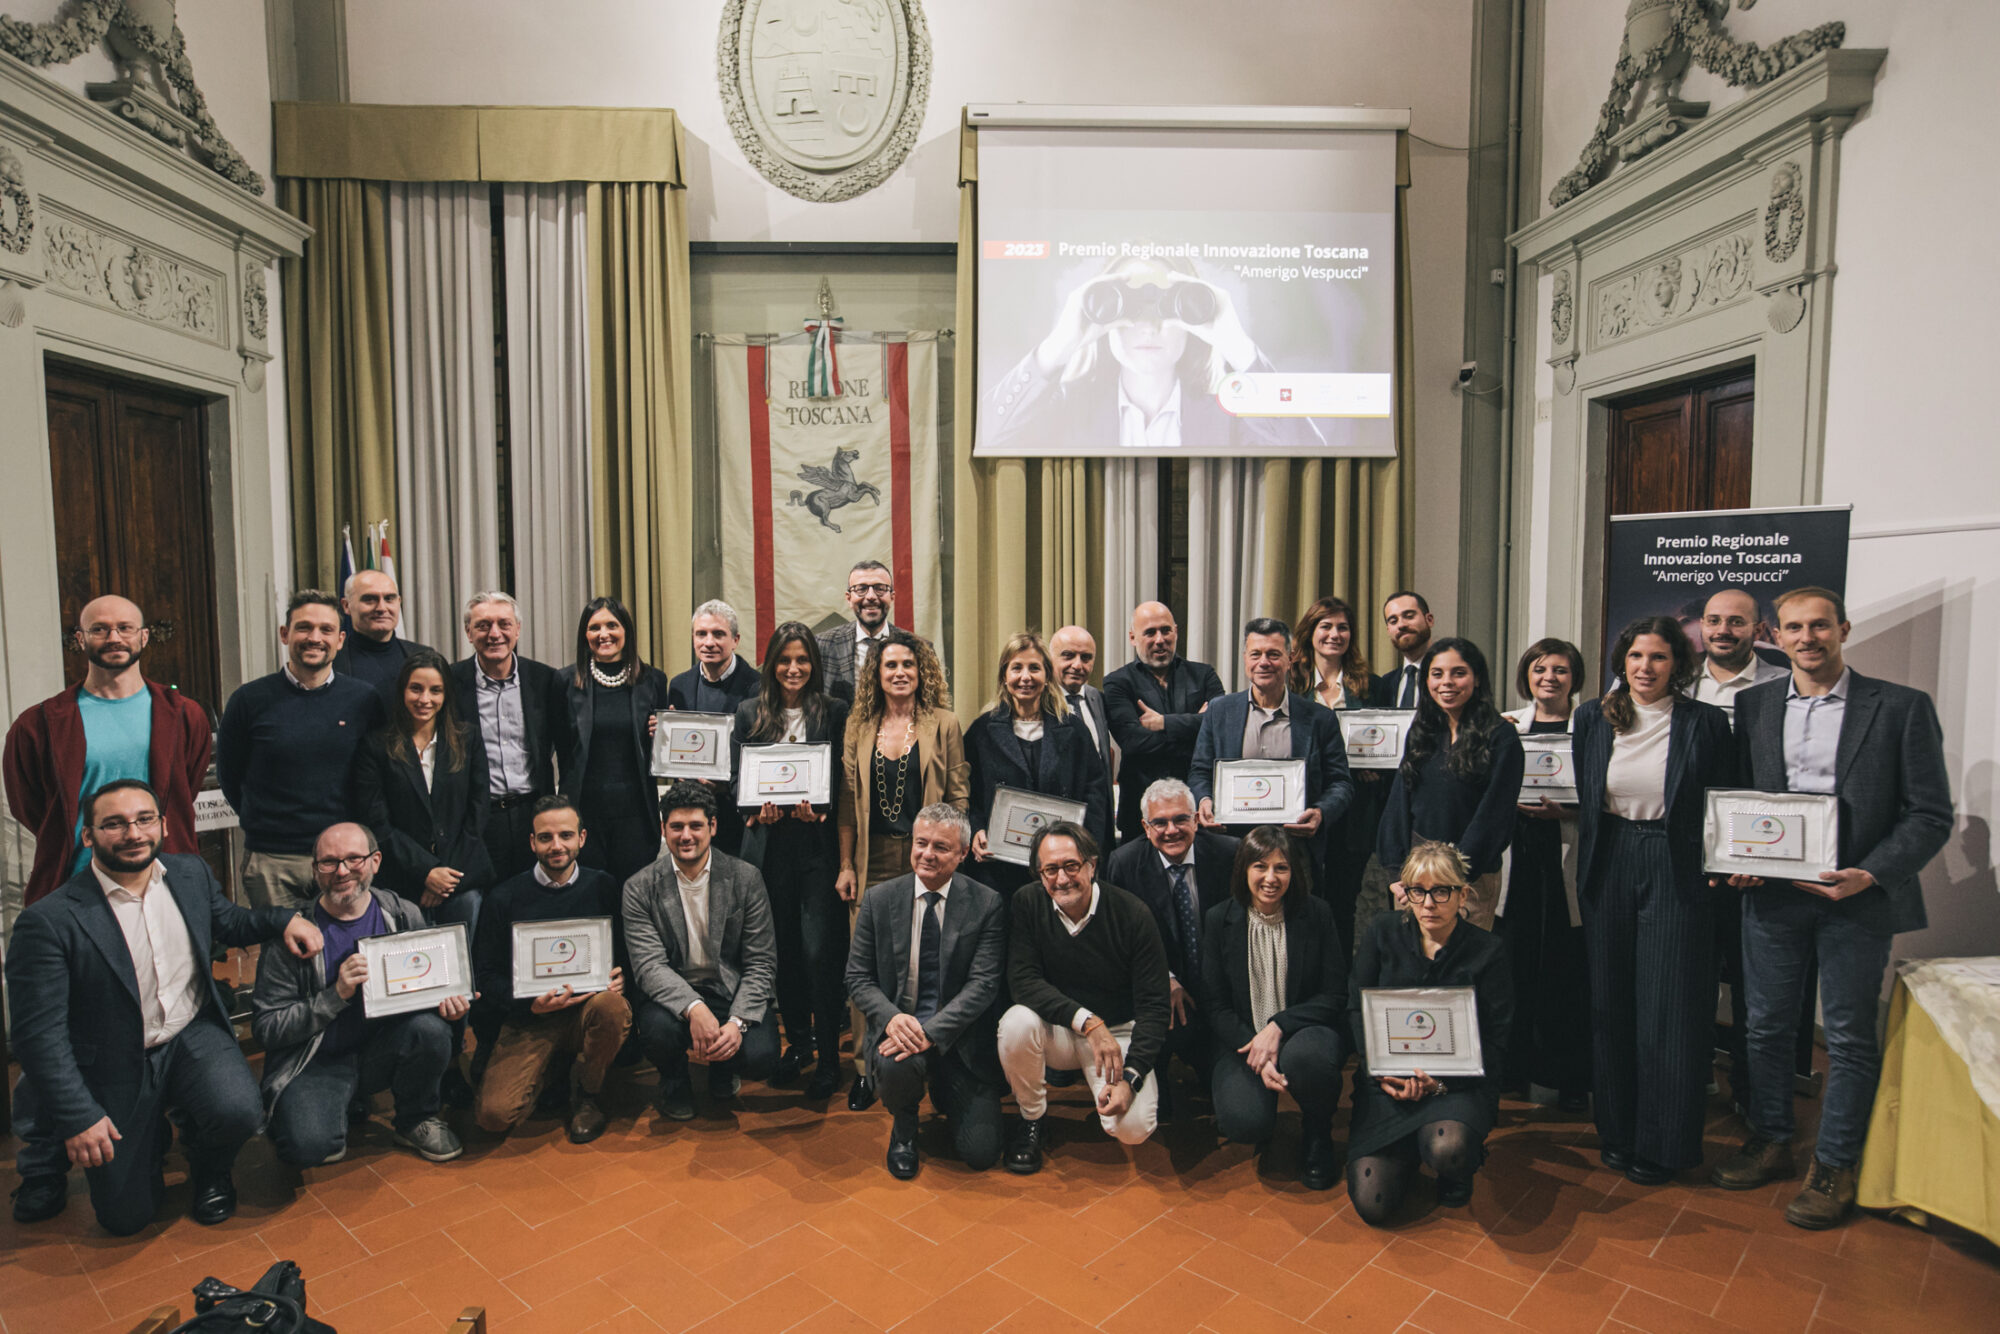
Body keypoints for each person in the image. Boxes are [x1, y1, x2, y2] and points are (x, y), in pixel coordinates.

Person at [1710, 587, 1953, 1229]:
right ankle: (1771, 1139)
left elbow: (1930, 814)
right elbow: (1741, 797)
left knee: (1846, 1038)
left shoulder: (1900, 707)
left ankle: (1835, 1165)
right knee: (1764, 1027)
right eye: (1794, 628)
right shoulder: (1756, 703)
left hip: (1857, 899)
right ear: (1775, 635)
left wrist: (1869, 874)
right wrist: (1739, 854)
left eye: (1820, 625)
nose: (1808, 637)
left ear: (1843, 629)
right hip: (1775, 897)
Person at [5, 780, 323, 1234]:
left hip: (189, 1034)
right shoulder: (51, 920)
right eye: (113, 824)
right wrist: (80, 1116)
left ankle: (209, 1167)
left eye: (143, 819)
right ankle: (146, 1135)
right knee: (125, 1218)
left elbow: (229, 922)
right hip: (115, 1059)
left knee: (239, 1111)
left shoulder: (189, 873)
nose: (133, 833)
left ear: (164, 825)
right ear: (88, 835)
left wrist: (285, 918)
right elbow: (39, 1036)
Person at [1571, 617, 1734, 1186]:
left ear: (1678, 665)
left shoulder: (1706, 723)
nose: (1645, 667)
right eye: (1636, 656)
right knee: (1609, 1004)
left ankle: (1663, 1144)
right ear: (1622, 660)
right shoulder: (1593, 716)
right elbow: (1585, 792)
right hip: (1608, 860)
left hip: (1675, 864)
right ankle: (1616, 1132)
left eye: (1659, 657)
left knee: (1668, 1010)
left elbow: (1723, 799)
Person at [253, 822, 465, 1167]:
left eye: (354, 859)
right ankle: (329, 1106)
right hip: (315, 1059)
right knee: (306, 1149)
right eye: (329, 862)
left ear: (375, 862)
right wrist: (335, 994)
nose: (342, 871)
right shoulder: (292, 934)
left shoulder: (400, 913)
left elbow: (430, 988)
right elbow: (267, 1028)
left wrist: (449, 1007)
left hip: (380, 1049)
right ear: (315, 868)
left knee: (431, 1031)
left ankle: (414, 1119)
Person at [980, 252, 1322, 454]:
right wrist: (1060, 344)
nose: (1149, 326)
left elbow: (1310, 452)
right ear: (1105, 318)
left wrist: (1235, 343)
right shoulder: (1070, 408)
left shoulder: (1230, 416)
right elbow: (985, 437)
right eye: (1130, 310)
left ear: (1191, 319)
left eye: (1165, 309)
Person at [5, 595, 212, 910]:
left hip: (165, 883)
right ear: (80, 639)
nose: (114, 638)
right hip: (76, 886)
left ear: (144, 636)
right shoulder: (39, 724)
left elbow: (186, 789)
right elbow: (29, 806)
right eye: (100, 629)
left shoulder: (184, 715)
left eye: (125, 628)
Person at [1346, 842, 1513, 1224]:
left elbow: (1496, 1040)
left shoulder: (1488, 951)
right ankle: (1405, 1145)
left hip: (1456, 1087)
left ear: (1463, 894)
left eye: (1441, 891)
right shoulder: (1381, 932)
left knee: (1448, 1149)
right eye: (1417, 891)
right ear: (1404, 893)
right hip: (1386, 1082)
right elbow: (1357, 1007)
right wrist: (1381, 1072)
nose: (1428, 903)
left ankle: (1454, 1166)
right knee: (1374, 1205)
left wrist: (1437, 1082)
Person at [838, 628, 969, 1109]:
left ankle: (928, 1056)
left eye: (908, 665)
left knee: (928, 955)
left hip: (928, 857)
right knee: (866, 963)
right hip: (873, 859)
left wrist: (956, 851)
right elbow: (848, 807)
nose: (899, 673)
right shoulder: (859, 725)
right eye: (890, 665)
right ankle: (864, 1066)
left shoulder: (944, 723)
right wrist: (846, 864)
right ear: (877, 673)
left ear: (922, 672)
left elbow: (958, 796)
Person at [845, 804, 1008, 1178]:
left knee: (981, 1153)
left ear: (963, 853)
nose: (927, 854)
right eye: (921, 843)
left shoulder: (986, 904)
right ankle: (904, 1128)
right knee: (892, 1061)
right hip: (901, 1030)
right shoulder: (879, 900)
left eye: (941, 847)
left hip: (959, 1041)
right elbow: (857, 977)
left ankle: (944, 1089)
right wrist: (892, 1018)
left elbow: (983, 985)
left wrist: (930, 1034)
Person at [998, 822, 1171, 1173]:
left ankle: (1111, 1091)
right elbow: (1023, 981)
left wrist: (1131, 1078)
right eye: (1050, 869)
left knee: (1133, 1130)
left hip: (1118, 1032)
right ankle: (1032, 1118)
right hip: (1063, 1031)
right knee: (1015, 1022)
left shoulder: (1132, 914)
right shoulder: (1028, 902)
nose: (1061, 879)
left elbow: (1154, 1007)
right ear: (1039, 874)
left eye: (1071, 866)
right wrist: (1089, 1024)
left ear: (1092, 865)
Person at [472, 797, 632, 1145]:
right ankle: (553, 1068)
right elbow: (484, 976)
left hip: (586, 1011)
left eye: (565, 835)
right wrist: (527, 1004)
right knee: (494, 1116)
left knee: (612, 1008)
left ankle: (588, 1095)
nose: (556, 846)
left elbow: (625, 953)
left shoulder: (604, 886)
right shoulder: (503, 898)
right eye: (545, 837)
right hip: (530, 1016)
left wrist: (622, 977)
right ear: (532, 843)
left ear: (582, 838)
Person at [735, 622, 851, 1101]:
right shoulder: (748, 712)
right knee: (781, 953)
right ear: (771, 664)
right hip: (769, 851)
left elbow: (843, 781)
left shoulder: (834, 711)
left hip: (817, 850)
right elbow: (738, 785)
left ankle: (827, 1057)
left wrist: (818, 811)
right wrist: (754, 810)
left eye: (802, 660)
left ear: (814, 665)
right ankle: (798, 1045)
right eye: (785, 660)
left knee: (819, 954)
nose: (794, 668)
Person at [217, 590, 386, 909]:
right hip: (275, 862)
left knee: (349, 953)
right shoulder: (248, 701)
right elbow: (231, 777)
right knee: (284, 956)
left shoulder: (365, 700)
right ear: (285, 634)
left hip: (345, 861)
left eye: (326, 630)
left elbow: (376, 777)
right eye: (304, 627)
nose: (315, 638)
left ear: (340, 639)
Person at [1201, 827, 1349, 1189]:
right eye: (1260, 866)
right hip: (1244, 1041)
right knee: (1244, 1124)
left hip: (1303, 1035)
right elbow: (1215, 1005)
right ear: (1243, 869)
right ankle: (1263, 1110)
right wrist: (1259, 1050)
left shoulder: (1317, 914)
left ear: (1293, 872)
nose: (1270, 878)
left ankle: (1317, 1132)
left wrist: (1279, 1026)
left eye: (1281, 868)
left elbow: (1334, 995)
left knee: (1307, 1061)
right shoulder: (1219, 919)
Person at [623, 781, 780, 1121]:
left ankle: (723, 1066)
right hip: (675, 994)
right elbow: (649, 967)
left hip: (729, 988)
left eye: (696, 825)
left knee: (762, 1055)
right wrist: (694, 1008)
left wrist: (736, 1023)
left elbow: (761, 964)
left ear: (713, 826)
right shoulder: (639, 887)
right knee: (658, 1032)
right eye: (676, 827)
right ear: (663, 829)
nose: (686, 835)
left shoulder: (745, 878)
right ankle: (674, 1079)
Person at [1686, 586, 1789, 1104]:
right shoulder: (1675, 682)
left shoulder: (1784, 685)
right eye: (1713, 620)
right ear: (1701, 626)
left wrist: (1760, 855)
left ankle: (1755, 1095)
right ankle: (1693, 1078)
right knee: (1691, 977)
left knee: (1755, 988)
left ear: (1759, 629)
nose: (1723, 630)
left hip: (1756, 859)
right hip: (1686, 855)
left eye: (1736, 622)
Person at [1376, 638, 1525, 929]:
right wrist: (1396, 872)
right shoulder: (1423, 729)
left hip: (1470, 878)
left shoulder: (1501, 736)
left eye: (1459, 673)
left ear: (1477, 678)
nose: (1447, 682)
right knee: (1415, 966)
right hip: (1415, 877)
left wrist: (1452, 876)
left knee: (1460, 970)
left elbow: (1495, 816)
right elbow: (1400, 801)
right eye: (1437, 673)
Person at [1499, 638, 1590, 1110]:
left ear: (1574, 677)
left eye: (1560, 670)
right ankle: (1512, 1069)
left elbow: (1603, 793)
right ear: (1526, 675)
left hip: (1565, 849)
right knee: (1514, 963)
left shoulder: (1592, 726)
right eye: (1539, 669)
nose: (1549, 678)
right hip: (1520, 853)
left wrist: (1569, 813)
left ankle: (1557, 1073)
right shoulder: (1507, 724)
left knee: (1562, 966)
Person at [1105, 779, 1238, 1101]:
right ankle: (1159, 1067)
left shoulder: (1230, 853)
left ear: (1196, 819)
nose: (1171, 830)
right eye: (1159, 822)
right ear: (1145, 827)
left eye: (1180, 819)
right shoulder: (1123, 863)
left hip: (1221, 991)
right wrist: (1164, 978)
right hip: (1159, 992)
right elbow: (1121, 940)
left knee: (1225, 1104)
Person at [1189, 618, 1355, 868]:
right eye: (1256, 654)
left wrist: (1320, 812)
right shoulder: (1219, 711)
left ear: (1291, 658)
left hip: (1295, 852)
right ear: (1245, 658)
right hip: (1231, 848)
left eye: (1273, 654)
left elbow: (1341, 783)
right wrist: (1204, 801)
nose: (1263, 662)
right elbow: (1200, 771)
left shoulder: (1320, 718)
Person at [353, 649, 494, 939]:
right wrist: (427, 873)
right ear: (402, 690)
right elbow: (377, 823)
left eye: (436, 690)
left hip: (459, 880)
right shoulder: (376, 746)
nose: (425, 699)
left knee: (461, 966)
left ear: (446, 695)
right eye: (416, 689)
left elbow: (478, 810)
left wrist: (445, 876)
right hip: (401, 881)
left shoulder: (468, 739)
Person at [965, 632, 1113, 898]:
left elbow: (1096, 793)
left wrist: (1085, 850)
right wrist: (975, 830)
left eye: (1034, 668)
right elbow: (966, 795)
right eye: (1016, 668)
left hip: (1061, 870)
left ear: (1047, 676)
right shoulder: (981, 731)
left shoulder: (1074, 730)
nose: (1025, 677)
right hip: (998, 870)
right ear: (1004, 676)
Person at [552, 596, 671, 889]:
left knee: (634, 900)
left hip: (636, 815)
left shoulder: (654, 680)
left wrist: (664, 735)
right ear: (585, 635)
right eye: (594, 628)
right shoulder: (565, 682)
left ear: (626, 630)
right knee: (590, 899)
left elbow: (662, 754)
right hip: (584, 814)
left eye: (612, 625)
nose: (603, 634)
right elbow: (561, 750)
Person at [1289, 596, 1380, 956]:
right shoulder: (1291, 684)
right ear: (1310, 632)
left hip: (1353, 811)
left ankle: (1338, 988)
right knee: (1303, 901)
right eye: (1325, 626)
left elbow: (1385, 739)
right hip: (1300, 808)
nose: (1334, 634)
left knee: (1344, 903)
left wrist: (1378, 765)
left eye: (1342, 627)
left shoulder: (1370, 686)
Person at [452, 592, 559, 884]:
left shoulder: (546, 680)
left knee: (534, 903)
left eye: (504, 624)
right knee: (489, 908)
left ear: (518, 629)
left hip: (533, 814)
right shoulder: (449, 683)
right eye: (483, 625)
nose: (494, 634)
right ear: (468, 632)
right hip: (478, 819)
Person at [1102, 601, 1226, 844]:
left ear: (1176, 632)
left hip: (1199, 805)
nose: (1160, 639)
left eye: (1165, 630)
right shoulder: (1117, 683)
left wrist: (1163, 723)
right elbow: (1134, 743)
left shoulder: (1204, 675)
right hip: (1139, 812)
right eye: (1149, 632)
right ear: (1132, 637)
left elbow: (1220, 730)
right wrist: (1196, 726)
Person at [669, 599, 762, 858]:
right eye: (701, 634)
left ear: (736, 639)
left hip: (739, 816)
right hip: (693, 814)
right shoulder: (679, 685)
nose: (709, 642)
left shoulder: (758, 687)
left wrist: (725, 784)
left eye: (718, 634)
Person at [332, 568, 436, 705]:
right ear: (346, 606)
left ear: (398, 602)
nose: (381, 608)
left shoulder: (425, 655)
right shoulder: (332, 660)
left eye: (389, 599)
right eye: (369, 599)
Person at [817, 559, 909, 700]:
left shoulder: (916, 648)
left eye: (880, 588)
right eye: (861, 589)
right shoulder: (822, 645)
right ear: (849, 598)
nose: (871, 596)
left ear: (892, 597)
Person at [1050, 624, 1115, 783]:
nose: (1077, 665)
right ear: (1050, 659)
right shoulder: (1039, 701)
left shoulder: (1097, 698)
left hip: (1096, 803)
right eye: (1068, 655)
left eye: (1086, 657)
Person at [1369, 591, 1436, 710]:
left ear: (1429, 620)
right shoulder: (1385, 684)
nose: (1401, 625)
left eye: (1409, 616)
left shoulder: (1450, 675)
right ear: (1388, 630)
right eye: (1393, 621)